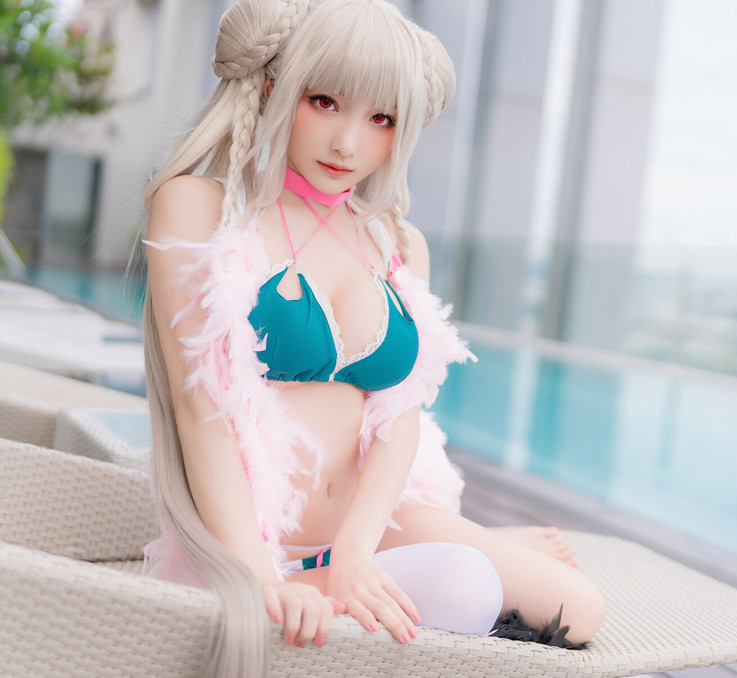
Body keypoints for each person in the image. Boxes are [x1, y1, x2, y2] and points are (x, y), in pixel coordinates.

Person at [139, 1, 605, 676]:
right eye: (325, 102)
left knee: (578, 608)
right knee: (464, 585)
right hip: (254, 542)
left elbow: (398, 417)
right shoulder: (202, 205)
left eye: (382, 118)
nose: (347, 144)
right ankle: (397, 572)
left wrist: (356, 551)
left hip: (372, 527)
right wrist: (257, 577)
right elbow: (200, 411)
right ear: (273, 88)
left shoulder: (395, 241)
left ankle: (395, 567)